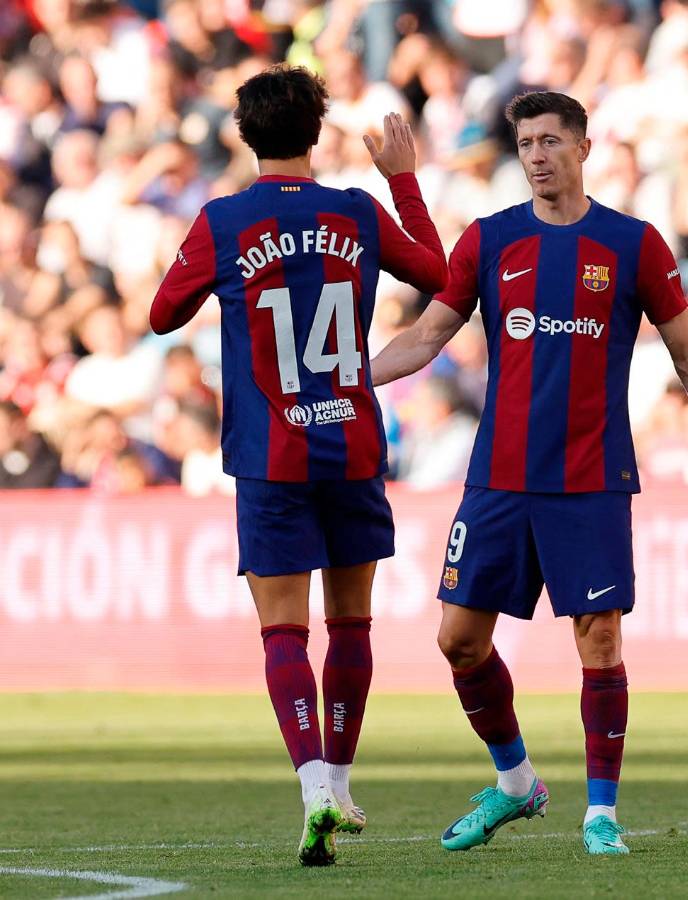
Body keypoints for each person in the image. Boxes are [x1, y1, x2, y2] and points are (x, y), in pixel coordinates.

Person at [370, 90, 688, 856]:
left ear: (585, 147)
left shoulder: (632, 244)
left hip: (590, 477)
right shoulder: (488, 241)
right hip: (500, 480)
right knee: (459, 643)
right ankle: (517, 784)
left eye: (552, 141)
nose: (538, 156)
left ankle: (601, 814)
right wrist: (346, 380)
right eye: (526, 144)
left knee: (601, 641)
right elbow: (424, 339)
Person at [149, 64, 447, 866]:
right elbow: (442, 277)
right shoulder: (354, 213)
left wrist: (210, 268)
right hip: (349, 441)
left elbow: (159, 316)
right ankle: (343, 783)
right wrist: (404, 181)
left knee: (283, 629)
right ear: (317, 133)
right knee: (352, 623)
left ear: (244, 136)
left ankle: (314, 784)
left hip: (270, 454)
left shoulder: (222, 221)